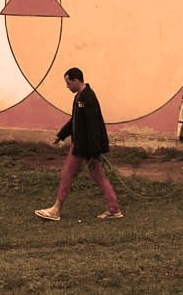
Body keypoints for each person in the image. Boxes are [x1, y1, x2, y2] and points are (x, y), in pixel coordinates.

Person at [34, 67, 123, 221]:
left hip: (83, 147)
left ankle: (55, 210)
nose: (67, 86)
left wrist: (94, 154)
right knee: (99, 177)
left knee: (67, 174)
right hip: (84, 146)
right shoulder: (80, 97)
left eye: (68, 83)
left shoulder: (88, 98)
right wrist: (60, 135)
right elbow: (75, 120)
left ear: (76, 81)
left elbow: (93, 127)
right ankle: (114, 209)